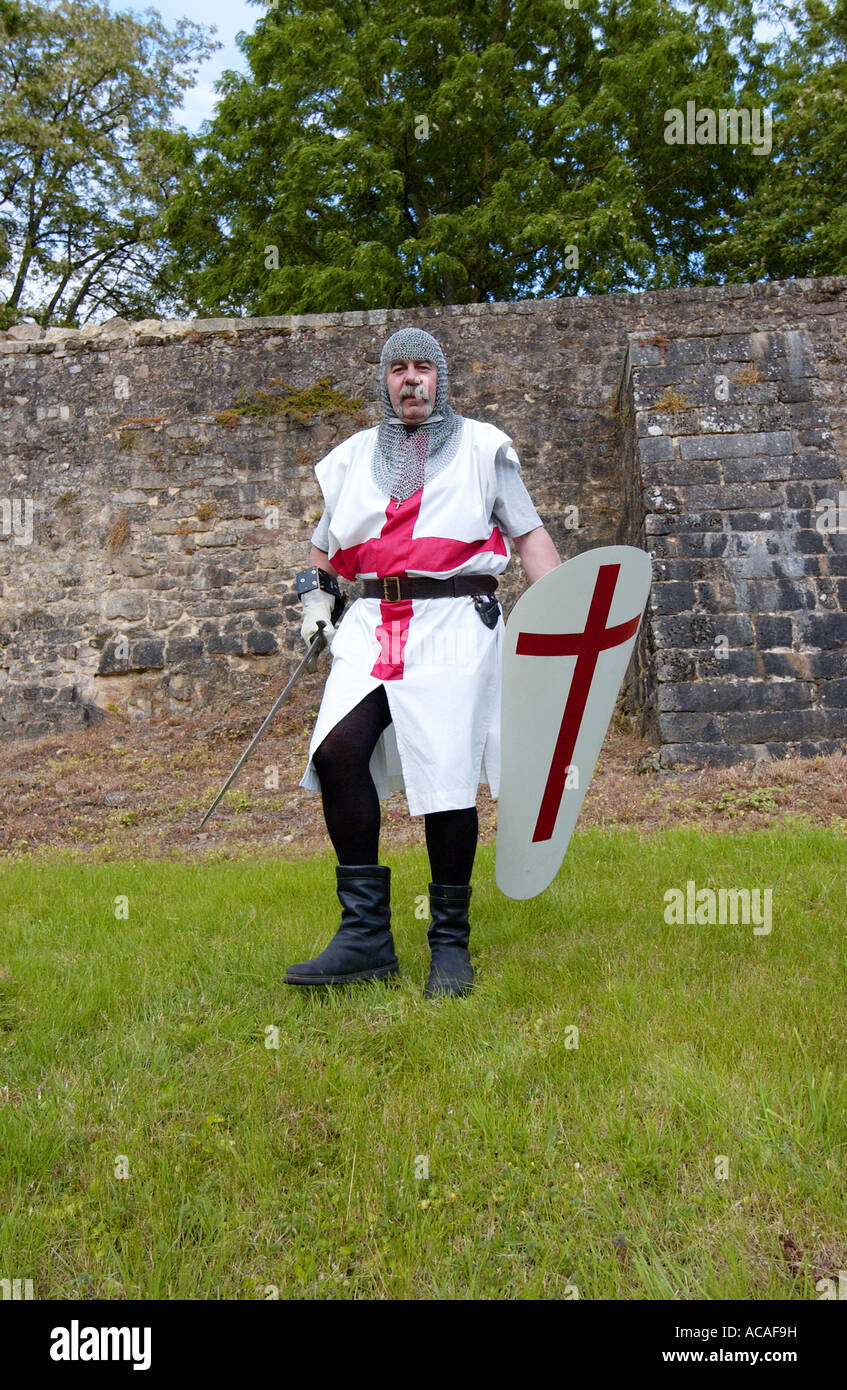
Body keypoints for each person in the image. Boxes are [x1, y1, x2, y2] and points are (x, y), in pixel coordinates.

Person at [285, 326, 561, 998]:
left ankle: (448, 947)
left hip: (451, 621)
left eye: (422, 368)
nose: (409, 380)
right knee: (337, 753)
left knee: (445, 774)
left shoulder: (480, 446)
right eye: (397, 369)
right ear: (383, 380)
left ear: (440, 377)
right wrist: (316, 602)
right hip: (372, 621)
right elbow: (323, 552)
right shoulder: (352, 458)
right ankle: (364, 939)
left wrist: (559, 619)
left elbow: (527, 536)